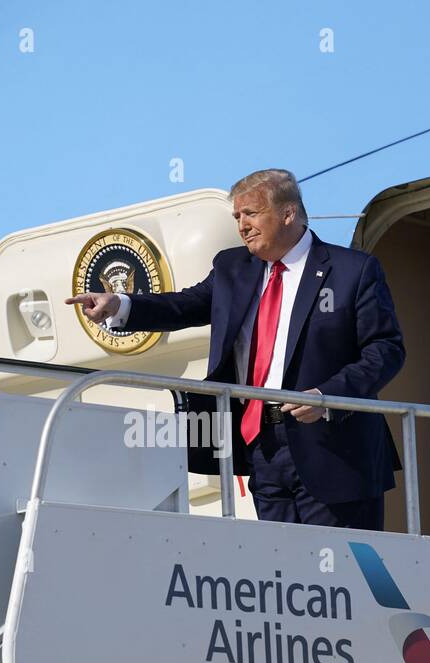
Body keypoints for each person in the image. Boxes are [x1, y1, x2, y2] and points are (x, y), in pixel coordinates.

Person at [66, 168, 405, 531]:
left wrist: (328, 397)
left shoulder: (352, 270)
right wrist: (120, 305)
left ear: (288, 213)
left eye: (251, 213)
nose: (242, 225)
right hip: (262, 447)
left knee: (341, 578)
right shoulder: (232, 268)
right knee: (283, 576)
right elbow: (185, 305)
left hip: (336, 449)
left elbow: (385, 349)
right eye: (237, 216)